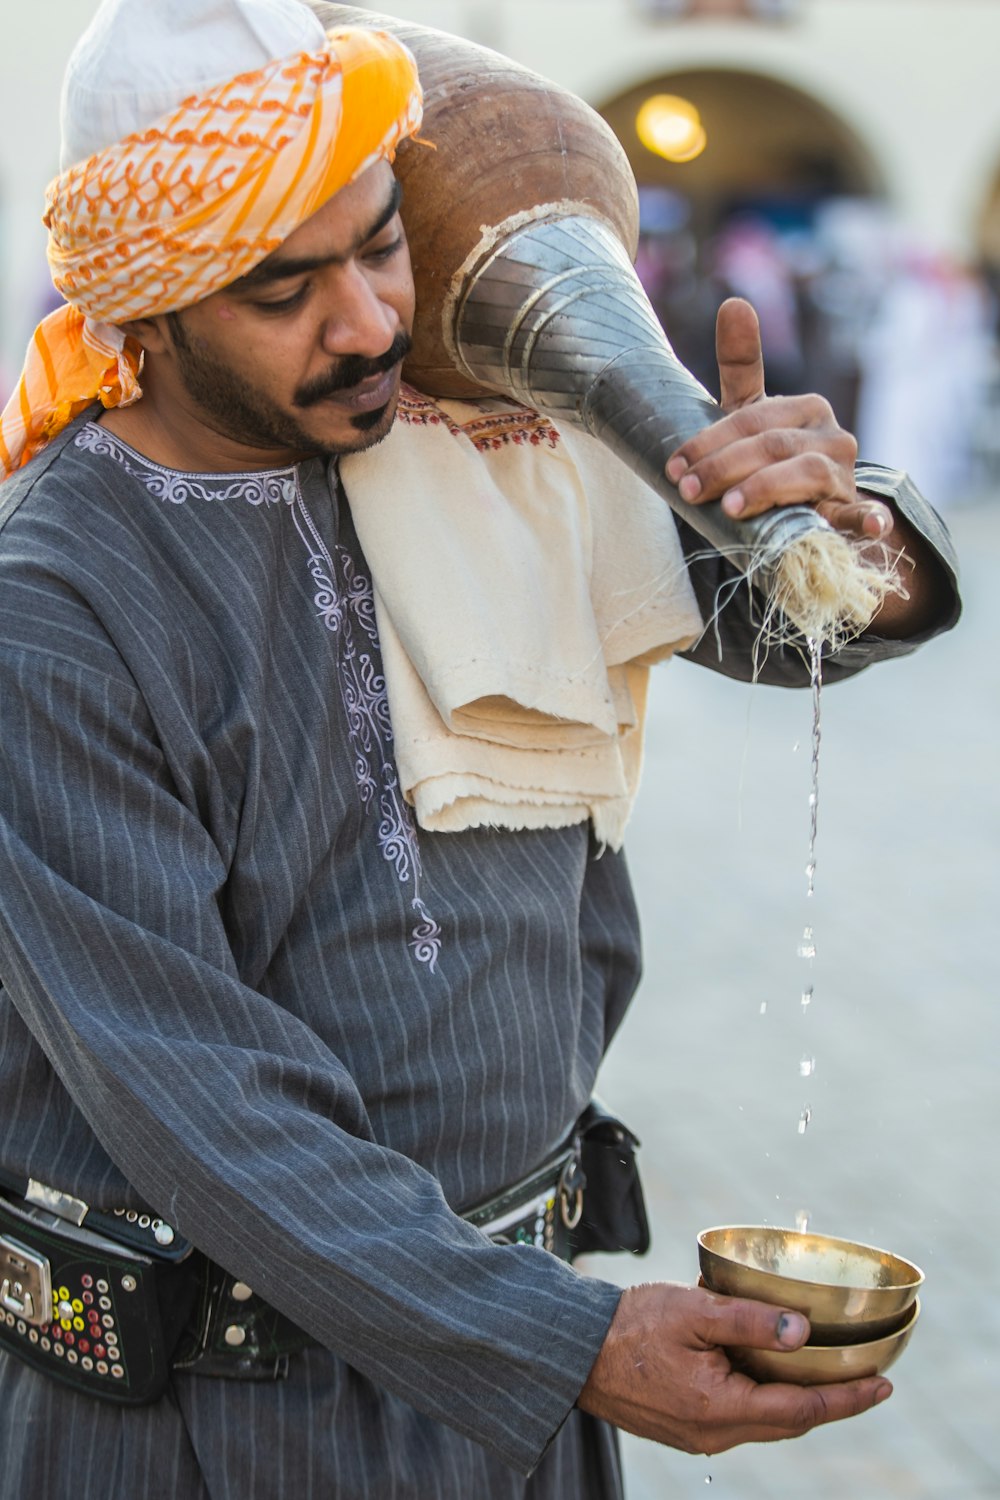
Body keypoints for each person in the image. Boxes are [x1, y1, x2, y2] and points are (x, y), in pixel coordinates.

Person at [0, 2, 959, 1497]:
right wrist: (564, 1344)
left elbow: (803, 617)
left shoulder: (486, 451)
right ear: (148, 306)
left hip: (506, 1390)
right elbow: (197, 1092)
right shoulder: (56, 612)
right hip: (215, 1423)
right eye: (283, 287)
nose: (372, 323)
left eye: (381, 245)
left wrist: (841, 523)